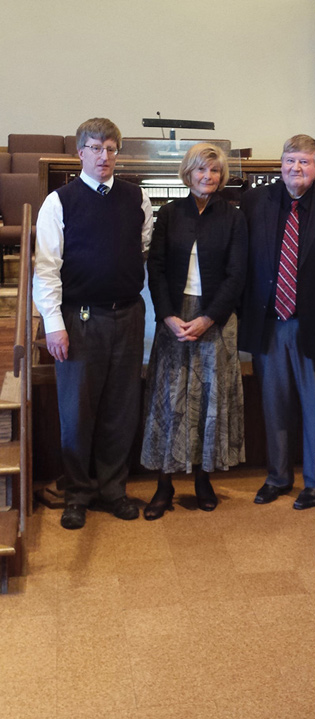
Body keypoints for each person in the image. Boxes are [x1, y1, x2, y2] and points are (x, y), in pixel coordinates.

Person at [33, 117, 154, 529]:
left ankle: (113, 489)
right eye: (96, 148)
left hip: (128, 315)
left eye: (111, 148)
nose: (104, 156)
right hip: (79, 319)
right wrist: (53, 323)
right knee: (77, 411)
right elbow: (46, 268)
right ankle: (78, 492)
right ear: (80, 152)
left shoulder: (136, 197)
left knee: (121, 407)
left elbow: (143, 249)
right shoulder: (60, 201)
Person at [239, 134, 315, 509]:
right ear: (281, 164)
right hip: (269, 322)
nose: (296, 168)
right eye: (290, 160)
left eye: (305, 162)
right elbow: (244, 263)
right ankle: (277, 477)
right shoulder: (254, 202)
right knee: (274, 404)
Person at [141, 143, 247, 519]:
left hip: (214, 319)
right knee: (170, 399)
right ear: (188, 174)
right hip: (174, 318)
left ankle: (203, 477)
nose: (208, 177)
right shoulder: (169, 214)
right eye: (201, 170)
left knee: (209, 399)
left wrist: (209, 318)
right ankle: (164, 484)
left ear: (222, 177)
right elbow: (155, 269)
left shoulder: (233, 217)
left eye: (215, 171)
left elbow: (237, 275)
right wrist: (168, 316)